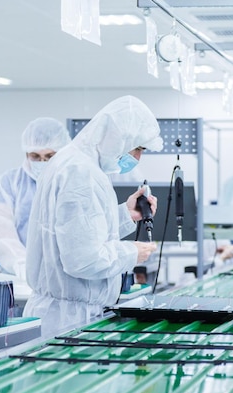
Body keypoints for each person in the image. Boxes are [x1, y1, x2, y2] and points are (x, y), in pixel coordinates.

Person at [23, 95, 162, 337]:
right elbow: (83, 260)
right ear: (120, 137)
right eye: (137, 148)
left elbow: (76, 232)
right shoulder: (82, 173)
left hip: (63, 314)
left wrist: (125, 215)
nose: (138, 158)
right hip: (70, 321)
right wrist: (132, 252)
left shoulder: (74, 162)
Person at [0, 117, 71, 283]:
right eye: (35, 156)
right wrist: (21, 263)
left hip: (65, 278)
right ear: (26, 154)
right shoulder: (10, 183)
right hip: (20, 279)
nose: (42, 162)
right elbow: (0, 231)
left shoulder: (71, 180)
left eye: (49, 156)